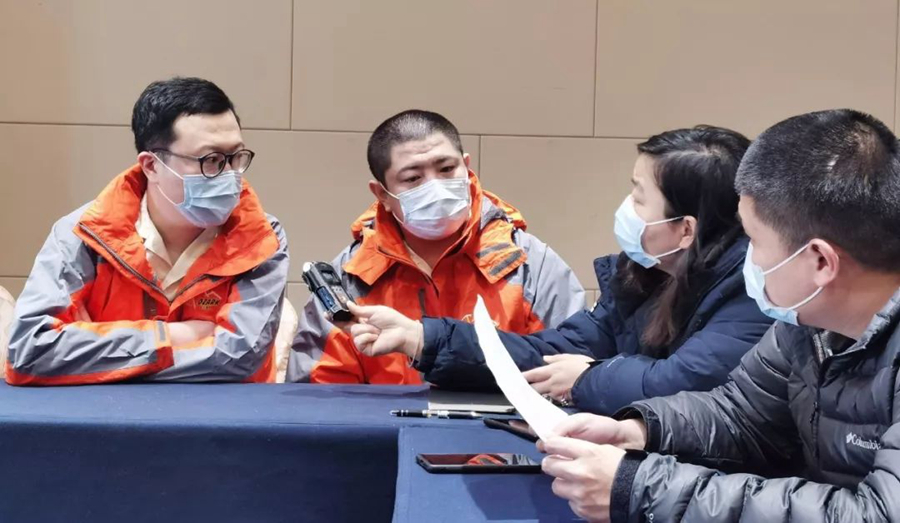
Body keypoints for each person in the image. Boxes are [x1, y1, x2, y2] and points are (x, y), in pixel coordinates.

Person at [539, 109, 900, 522]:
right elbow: (740, 413)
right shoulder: (806, 322)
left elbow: (876, 515)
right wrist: (638, 431)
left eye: (754, 240)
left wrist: (640, 487)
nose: (747, 259)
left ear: (820, 261)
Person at [348, 125, 773, 414]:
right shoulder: (644, 276)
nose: (626, 208)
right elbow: (552, 352)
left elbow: (682, 384)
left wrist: (587, 379)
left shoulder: (753, 291)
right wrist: (423, 338)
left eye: (639, 197)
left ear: (685, 229)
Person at [6, 77, 289, 385]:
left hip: (226, 414)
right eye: (211, 160)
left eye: (236, 157)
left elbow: (238, 360)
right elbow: (29, 351)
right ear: (151, 165)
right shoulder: (84, 233)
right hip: (105, 413)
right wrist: (174, 335)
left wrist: (93, 352)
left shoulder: (261, 237)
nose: (230, 174)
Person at [286, 109, 584, 384]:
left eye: (447, 168)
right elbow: (321, 396)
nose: (435, 186)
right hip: (381, 425)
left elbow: (570, 372)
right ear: (382, 194)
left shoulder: (530, 266)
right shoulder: (350, 279)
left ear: (467, 167)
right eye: (413, 178)